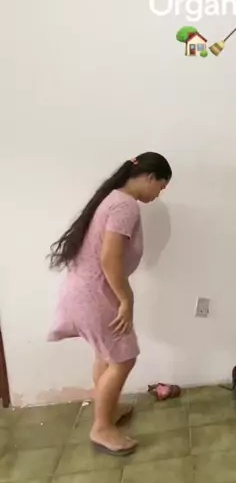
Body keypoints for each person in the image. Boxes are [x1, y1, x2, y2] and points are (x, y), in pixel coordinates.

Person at [48, 152, 172, 455]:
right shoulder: (125, 205)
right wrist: (126, 298)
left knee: (106, 355)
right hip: (95, 296)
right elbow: (109, 258)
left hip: (82, 293)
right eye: (161, 186)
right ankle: (102, 427)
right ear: (149, 177)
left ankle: (109, 411)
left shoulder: (111, 198)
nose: (159, 194)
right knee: (124, 358)